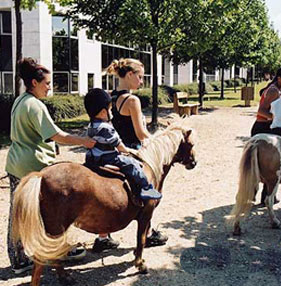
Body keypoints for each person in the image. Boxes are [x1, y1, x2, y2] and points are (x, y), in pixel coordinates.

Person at [5, 58, 96, 274]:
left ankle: (18, 260)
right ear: (34, 83)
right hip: (33, 167)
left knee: (17, 212)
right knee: (54, 211)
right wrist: (83, 140)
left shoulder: (20, 100)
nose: (49, 87)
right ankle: (61, 250)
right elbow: (57, 135)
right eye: (46, 83)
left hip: (15, 163)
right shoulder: (35, 105)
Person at [106, 58, 168, 247]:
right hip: (132, 149)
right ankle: (147, 233)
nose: (141, 81)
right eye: (140, 77)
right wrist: (158, 139)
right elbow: (141, 134)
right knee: (150, 187)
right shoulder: (132, 100)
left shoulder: (111, 96)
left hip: (113, 149)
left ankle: (102, 237)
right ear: (130, 75)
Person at [84, 88, 162, 201]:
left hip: (93, 158)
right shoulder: (107, 128)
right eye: (110, 110)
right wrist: (128, 151)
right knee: (132, 164)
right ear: (103, 112)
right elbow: (119, 146)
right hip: (108, 158)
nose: (111, 112)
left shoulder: (91, 126)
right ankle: (145, 187)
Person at [250, 67, 281, 205]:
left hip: (263, 126)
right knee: (267, 165)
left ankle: (264, 196)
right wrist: (275, 118)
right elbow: (261, 111)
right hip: (262, 127)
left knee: (264, 165)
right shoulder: (274, 90)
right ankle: (263, 196)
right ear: (280, 78)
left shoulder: (275, 89)